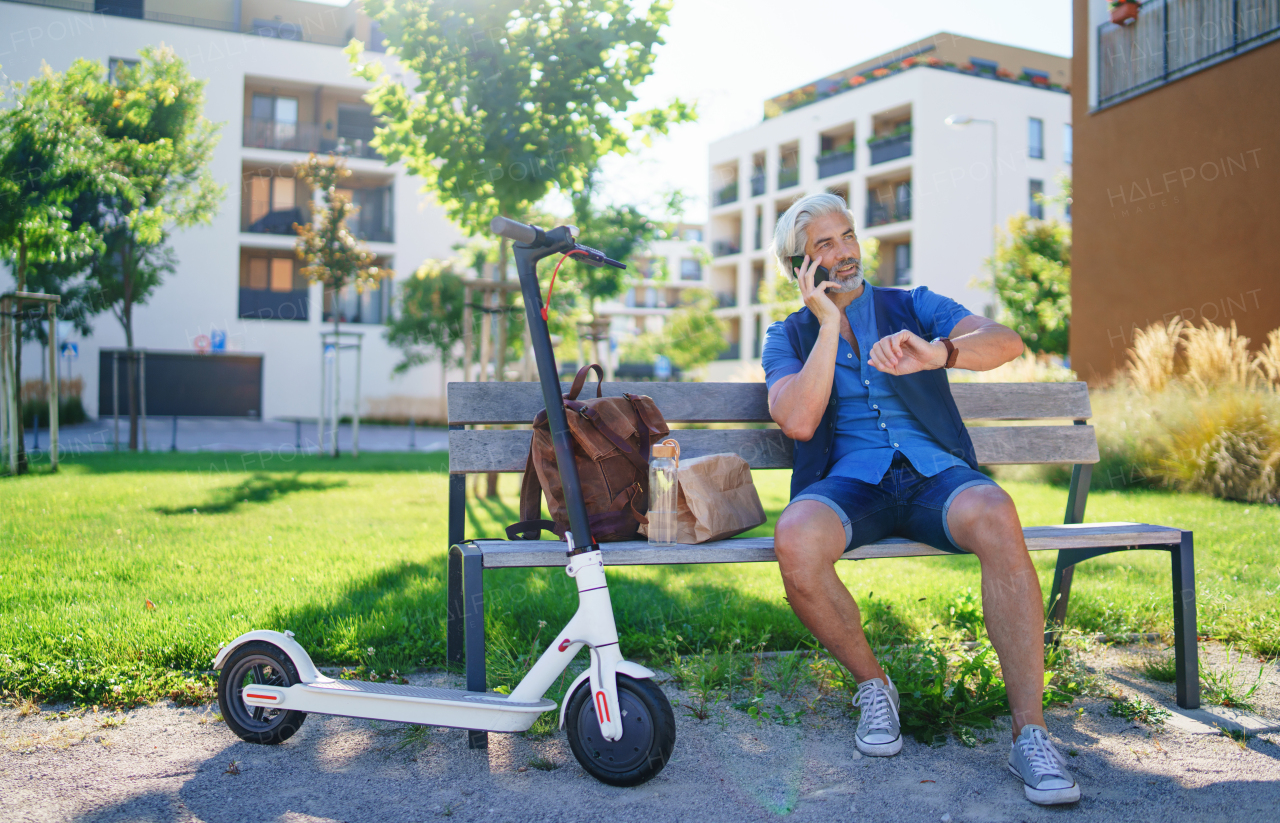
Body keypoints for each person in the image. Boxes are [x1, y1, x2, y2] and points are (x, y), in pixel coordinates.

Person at [761, 193, 1079, 806]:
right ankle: (875, 687)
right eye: (824, 244)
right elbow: (798, 421)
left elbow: (1005, 341)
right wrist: (828, 326)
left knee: (997, 513)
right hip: (854, 484)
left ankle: (1031, 733)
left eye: (848, 235)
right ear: (799, 267)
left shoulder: (915, 305)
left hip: (936, 475)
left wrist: (943, 352)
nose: (845, 251)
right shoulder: (789, 336)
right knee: (795, 537)